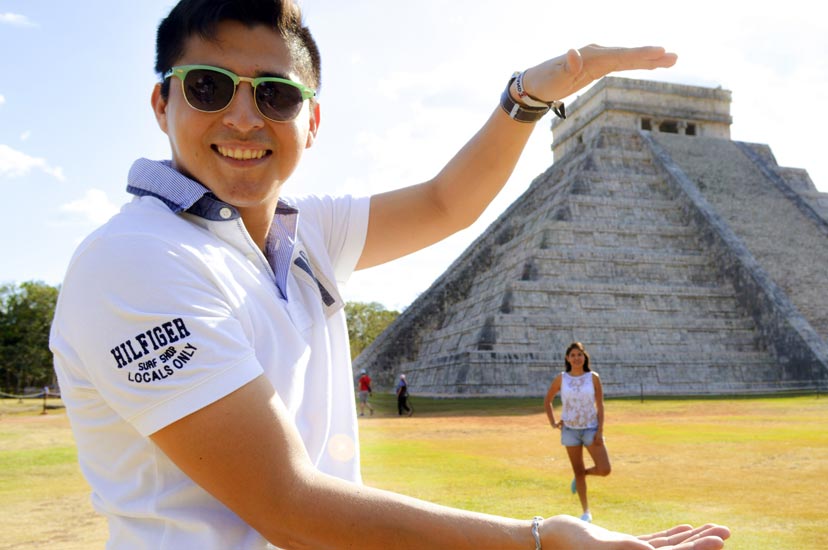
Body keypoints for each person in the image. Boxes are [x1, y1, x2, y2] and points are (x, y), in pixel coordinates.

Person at [49, 0, 730, 547]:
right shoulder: (135, 260)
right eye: (208, 87)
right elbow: (288, 507)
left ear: (311, 120)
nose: (243, 116)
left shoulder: (302, 229)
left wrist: (526, 97)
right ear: (161, 104)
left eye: (277, 96)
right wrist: (540, 540)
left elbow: (446, 202)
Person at [544, 342, 610, 524]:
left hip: (591, 428)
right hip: (570, 430)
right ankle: (586, 512)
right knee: (577, 469)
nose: (576, 358)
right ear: (567, 358)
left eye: (579, 354)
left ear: (584, 357)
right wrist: (553, 422)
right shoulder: (562, 378)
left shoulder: (593, 377)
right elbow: (548, 399)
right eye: (572, 355)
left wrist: (600, 430)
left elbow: (600, 404)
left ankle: (582, 474)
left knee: (604, 469)